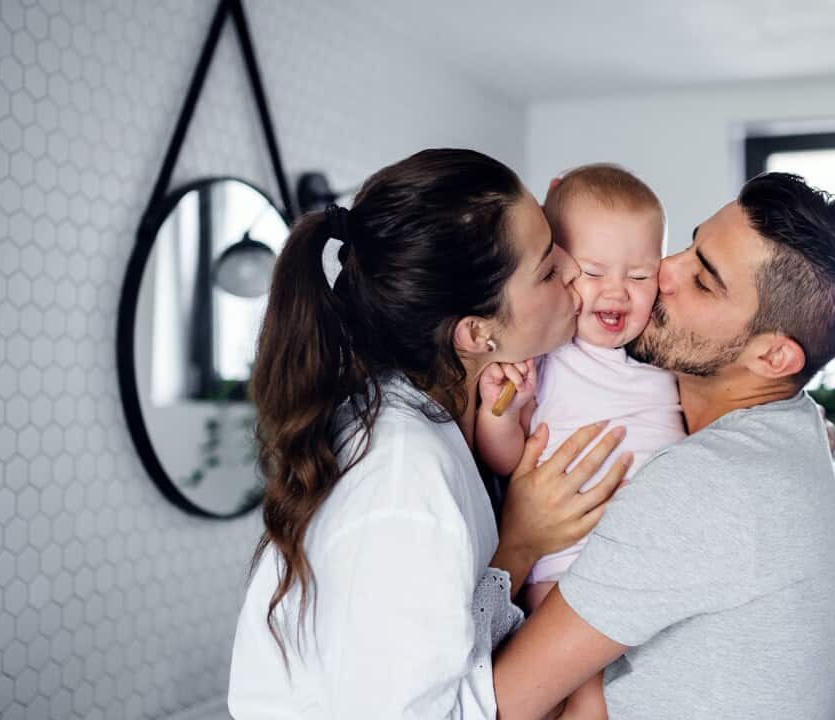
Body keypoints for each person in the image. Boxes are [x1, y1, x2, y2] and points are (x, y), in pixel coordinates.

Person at [227, 149, 634, 719]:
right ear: (475, 333)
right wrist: (518, 543)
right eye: (546, 267)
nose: (575, 268)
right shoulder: (401, 477)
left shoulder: (440, 414)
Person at [493, 172, 835, 720]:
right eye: (687, 245)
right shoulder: (791, 430)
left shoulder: (707, 484)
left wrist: (517, 543)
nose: (664, 272)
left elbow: (497, 705)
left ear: (774, 359)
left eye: (704, 282)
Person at [475, 164, 686, 718]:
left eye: (640, 276)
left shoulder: (664, 356)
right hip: (563, 564)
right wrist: (503, 413)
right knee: (588, 704)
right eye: (591, 272)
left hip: (648, 563)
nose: (616, 292)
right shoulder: (546, 355)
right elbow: (503, 458)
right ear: (555, 267)